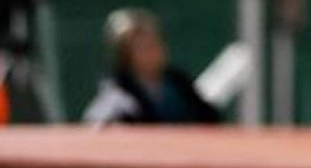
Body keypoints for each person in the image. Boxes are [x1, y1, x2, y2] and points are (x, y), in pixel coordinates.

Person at [81, 8, 221, 125]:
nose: (153, 51)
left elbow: (210, 118)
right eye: (142, 48)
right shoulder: (117, 97)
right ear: (125, 54)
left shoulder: (178, 82)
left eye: (154, 43)